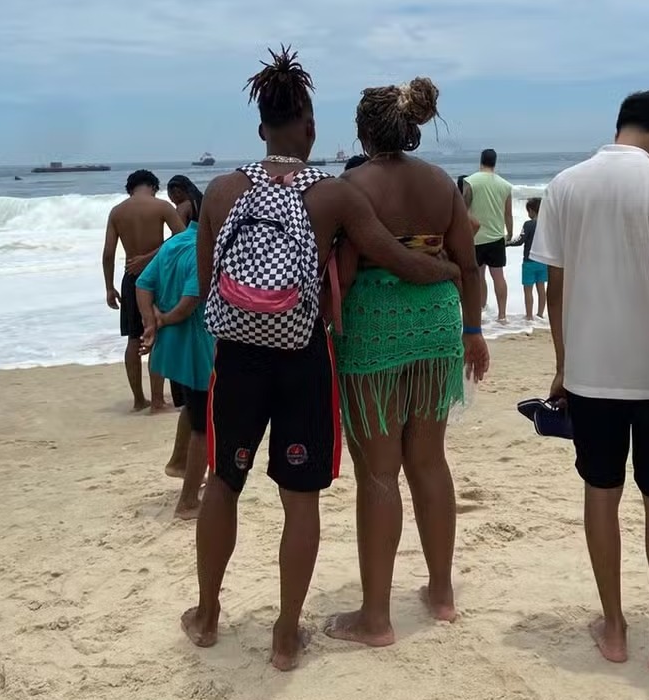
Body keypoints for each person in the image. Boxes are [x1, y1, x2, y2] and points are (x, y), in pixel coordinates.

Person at [186, 46, 460, 672]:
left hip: (238, 360)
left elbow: (207, 285)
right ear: (310, 128)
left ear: (261, 128)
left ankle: (206, 615)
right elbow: (394, 258)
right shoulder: (333, 195)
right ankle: (286, 636)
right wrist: (447, 271)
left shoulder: (222, 191)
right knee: (300, 497)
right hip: (303, 358)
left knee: (222, 483)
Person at [530, 90, 649, 674]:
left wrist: (562, 363)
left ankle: (615, 626)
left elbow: (556, 289)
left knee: (600, 493)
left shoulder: (565, 184)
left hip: (590, 371)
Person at [322, 78, 488, 648]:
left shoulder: (352, 185)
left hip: (373, 324)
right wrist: (473, 330)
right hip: (437, 322)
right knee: (429, 460)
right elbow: (468, 264)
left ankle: (376, 618)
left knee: (378, 470)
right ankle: (441, 594)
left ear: (364, 132)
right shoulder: (441, 182)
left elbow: (344, 271)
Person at [136, 212, 214, 520]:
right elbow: (190, 300)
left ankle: (179, 463)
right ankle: (188, 502)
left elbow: (143, 284)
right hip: (196, 347)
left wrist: (150, 321)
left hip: (172, 347)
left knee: (194, 408)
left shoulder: (174, 243)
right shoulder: (202, 250)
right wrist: (164, 319)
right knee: (205, 424)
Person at [102, 169, 186, 412]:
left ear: (130, 189)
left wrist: (109, 287)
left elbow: (108, 254)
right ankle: (157, 401)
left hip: (130, 278)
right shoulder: (162, 206)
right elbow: (182, 238)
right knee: (157, 335)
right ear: (153, 186)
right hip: (157, 277)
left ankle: (139, 400)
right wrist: (150, 257)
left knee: (134, 338)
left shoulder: (117, 211)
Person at [463, 150, 513, 323]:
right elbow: (508, 214)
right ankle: (502, 316)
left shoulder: (470, 181)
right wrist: (509, 233)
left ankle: (480, 310)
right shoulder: (505, 185)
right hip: (496, 237)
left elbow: (463, 209)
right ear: (495, 163)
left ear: (481, 161)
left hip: (475, 237)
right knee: (498, 276)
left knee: (478, 276)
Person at [508, 197, 547, 322]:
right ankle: (540, 315)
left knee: (528, 290)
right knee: (541, 288)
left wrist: (507, 243)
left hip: (529, 262)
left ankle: (529, 316)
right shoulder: (547, 224)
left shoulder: (528, 224)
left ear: (531, 210)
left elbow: (520, 241)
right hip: (543, 261)